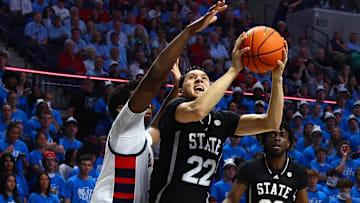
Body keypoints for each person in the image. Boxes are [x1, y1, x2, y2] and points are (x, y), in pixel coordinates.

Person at [91, 2, 228, 203]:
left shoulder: (139, 139)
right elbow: (153, 77)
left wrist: (176, 87)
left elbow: (160, 122)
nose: (147, 103)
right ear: (122, 109)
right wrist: (188, 32)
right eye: (136, 97)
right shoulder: (122, 127)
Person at [150, 18, 286, 203]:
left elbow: (271, 122)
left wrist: (277, 79)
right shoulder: (175, 109)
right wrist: (233, 70)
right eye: (192, 78)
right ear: (180, 90)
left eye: (204, 78)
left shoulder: (222, 120)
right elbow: (198, 110)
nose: (199, 80)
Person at [223, 122, 309, 203]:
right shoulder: (250, 168)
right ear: (264, 140)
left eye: (282, 135)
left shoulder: (298, 171)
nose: (277, 138)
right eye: (272, 135)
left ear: (288, 143)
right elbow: (231, 199)